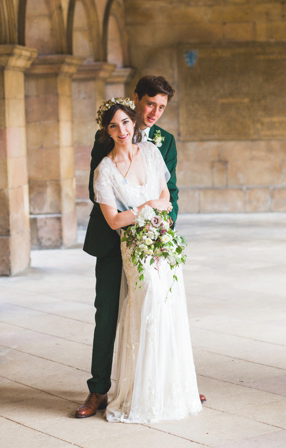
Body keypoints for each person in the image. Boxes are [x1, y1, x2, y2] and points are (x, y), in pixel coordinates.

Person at [76, 76, 205, 418]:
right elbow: (98, 190)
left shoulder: (165, 142)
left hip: (154, 237)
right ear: (136, 100)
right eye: (149, 104)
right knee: (107, 313)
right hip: (112, 239)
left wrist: (162, 227)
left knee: (162, 305)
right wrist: (137, 214)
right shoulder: (106, 137)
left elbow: (170, 191)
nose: (154, 113)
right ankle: (98, 390)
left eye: (161, 107)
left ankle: (169, 381)